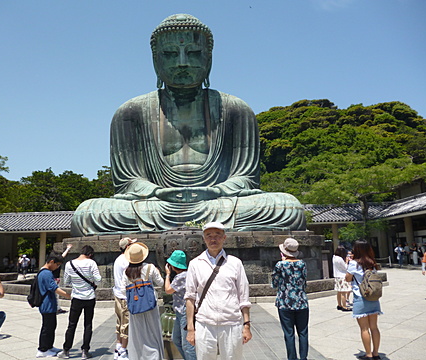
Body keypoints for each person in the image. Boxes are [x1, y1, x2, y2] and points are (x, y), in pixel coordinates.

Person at [70, 13, 306, 236]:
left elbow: (246, 177)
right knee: (89, 213)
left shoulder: (235, 109)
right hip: (157, 205)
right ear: (155, 59)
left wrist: (217, 191)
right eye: (171, 54)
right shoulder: (130, 113)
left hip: (218, 202)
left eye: (192, 53)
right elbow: (128, 182)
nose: (182, 63)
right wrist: (156, 192)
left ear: (209, 58)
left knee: (287, 208)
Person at [185, 222, 252, 360]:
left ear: (224, 238)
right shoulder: (195, 263)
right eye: (209, 236)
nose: (213, 239)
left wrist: (246, 325)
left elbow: (243, 296)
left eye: (217, 235)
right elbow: (190, 298)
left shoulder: (235, 263)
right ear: (204, 239)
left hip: (231, 323)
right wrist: (191, 328)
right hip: (205, 323)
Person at [121, 242, 164, 360]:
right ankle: (155, 356)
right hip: (150, 304)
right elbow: (161, 283)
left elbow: (122, 290)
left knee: (138, 334)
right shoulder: (150, 268)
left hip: (135, 306)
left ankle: (139, 356)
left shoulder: (127, 272)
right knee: (153, 331)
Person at [58, 245, 101, 360]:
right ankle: (85, 351)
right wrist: (90, 280)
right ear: (90, 254)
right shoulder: (92, 263)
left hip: (76, 297)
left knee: (72, 325)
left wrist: (76, 284)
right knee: (88, 324)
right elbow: (98, 279)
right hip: (90, 297)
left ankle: (66, 350)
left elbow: (66, 281)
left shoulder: (69, 264)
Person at [271, 238, 309, 360]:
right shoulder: (302, 263)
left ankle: (292, 358)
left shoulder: (280, 265)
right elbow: (304, 282)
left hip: (285, 302)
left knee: (289, 333)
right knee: (303, 332)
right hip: (301, 301)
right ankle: (303, 357)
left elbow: (274, 283)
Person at [345, 240, 382, 360]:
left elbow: (347, 279)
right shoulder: (372, 263)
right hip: (373, 297)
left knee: (364, 328)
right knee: (374, 327)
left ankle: (368, 354)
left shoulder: (354, 264)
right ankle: (376, 353)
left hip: (360, 297)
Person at [36, 252, 71, 358]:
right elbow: (53, 287)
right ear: (51, 261)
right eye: (57, 265)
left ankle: (49, 346)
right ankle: (42, 349)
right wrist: (68, 295)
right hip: (47, 304)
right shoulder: (46, 273)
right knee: (47, 327)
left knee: (51, 326)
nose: (57, 267)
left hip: (49, 304)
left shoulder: (44, 272)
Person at [165, 250, 196, 360]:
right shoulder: (185, 275)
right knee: (176, 339)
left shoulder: (181, 277)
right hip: (179, 311)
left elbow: (168, 290)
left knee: (187, 344)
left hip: (184, 312)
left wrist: (167, 275)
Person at [112, 237, 137, 360]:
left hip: (118, 294)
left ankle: (118, 346)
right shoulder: (126, 261)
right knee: (125, 323)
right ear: (127, 247)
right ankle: (123, 350)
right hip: (124, 295)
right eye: (132, 245)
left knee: (119, 321)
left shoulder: (118, 260)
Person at [332, 246, 352, 311]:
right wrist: (346, 262)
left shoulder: (334, 257)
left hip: (337, 276)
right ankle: (344, 306)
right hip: (342, 276)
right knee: (343, 292)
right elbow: (345, 267)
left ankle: (339, 304)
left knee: (339, 291)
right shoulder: (340, 259)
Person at [55, 244, 73, 315]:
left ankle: (57, 308)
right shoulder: (55, 263)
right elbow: (62, 256)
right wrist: (68, 249)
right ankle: (56, 308)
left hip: (56, 279)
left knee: (56, 296)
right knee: (55, 295)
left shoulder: (50, 263)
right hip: (54, 280)